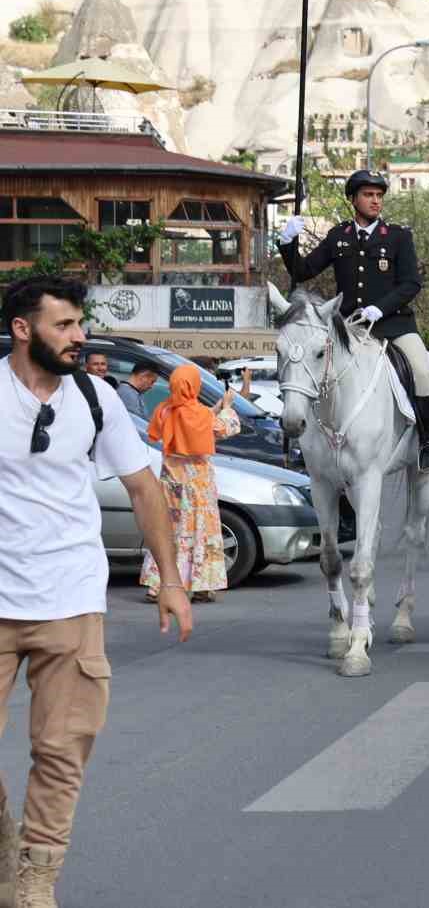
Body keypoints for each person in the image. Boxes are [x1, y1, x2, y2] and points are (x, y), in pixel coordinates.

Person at [1, 276, 192, 905]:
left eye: (80, 323)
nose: (80, 337)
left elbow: (143, 487)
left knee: (61, 750)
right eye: (64, 325)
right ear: (23, 329)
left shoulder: (96, 396)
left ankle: (35, 880)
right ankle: (6, 842)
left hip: (73, 598)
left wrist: (170, 580)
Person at [277, 169, 429, 470]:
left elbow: (411, 283)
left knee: (420, 371)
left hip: (393, 325)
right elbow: (302, 271)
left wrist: (381, 308)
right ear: (353, 199)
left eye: (379, 195)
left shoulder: (398, 237)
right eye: (368, 195)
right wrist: (287, 241)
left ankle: (427, 443)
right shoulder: (338, 237)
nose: (375, 201)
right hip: (350, 328)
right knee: (320, 374)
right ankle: (314, 443)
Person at [139, 365, 241, 604]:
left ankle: (157, 585)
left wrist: (216, 407)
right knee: (200, 533)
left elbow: (193, 420)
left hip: (170, 483)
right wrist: (227, 407)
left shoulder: (164, 410)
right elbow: (226, 427)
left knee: (169, 532)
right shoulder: (200, 415)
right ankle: (202, 585)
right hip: (198, 487)